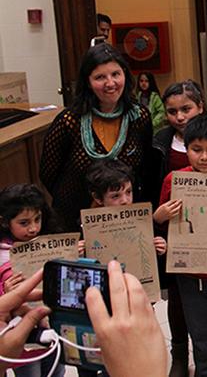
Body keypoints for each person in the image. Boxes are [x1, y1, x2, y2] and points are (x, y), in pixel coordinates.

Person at [150, 80, 207, 377]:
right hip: (191, 273)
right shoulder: (172, 180)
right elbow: (160, 219)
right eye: (196, 150)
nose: (204, 157)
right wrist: (160, 215)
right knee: (203, 337)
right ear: (185, 149)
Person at [39, 43, 153, 234]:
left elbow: (145, 168)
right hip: (75, 220)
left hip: (124, 220)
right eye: (100, 77)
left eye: (116, 74)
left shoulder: (139, 117)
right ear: (88, 82)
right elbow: (48, 174)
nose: (110, 83)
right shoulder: (69, 122)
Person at [0, 184, 65, 377]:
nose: (34, 228)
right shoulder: (2, 253)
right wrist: (5, 291)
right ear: (4, 222)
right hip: (21, 338)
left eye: (38, 219)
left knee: (56, 370)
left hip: (52, 326)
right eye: (24, 223)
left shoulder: (48, 243)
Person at [81, 159, 167, 257]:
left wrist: (159, 247)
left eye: (129, 192)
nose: (125, 201)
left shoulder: (142, 221)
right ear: (98, 198)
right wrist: (79, 255)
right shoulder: (86, 228)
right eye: (116, 196)